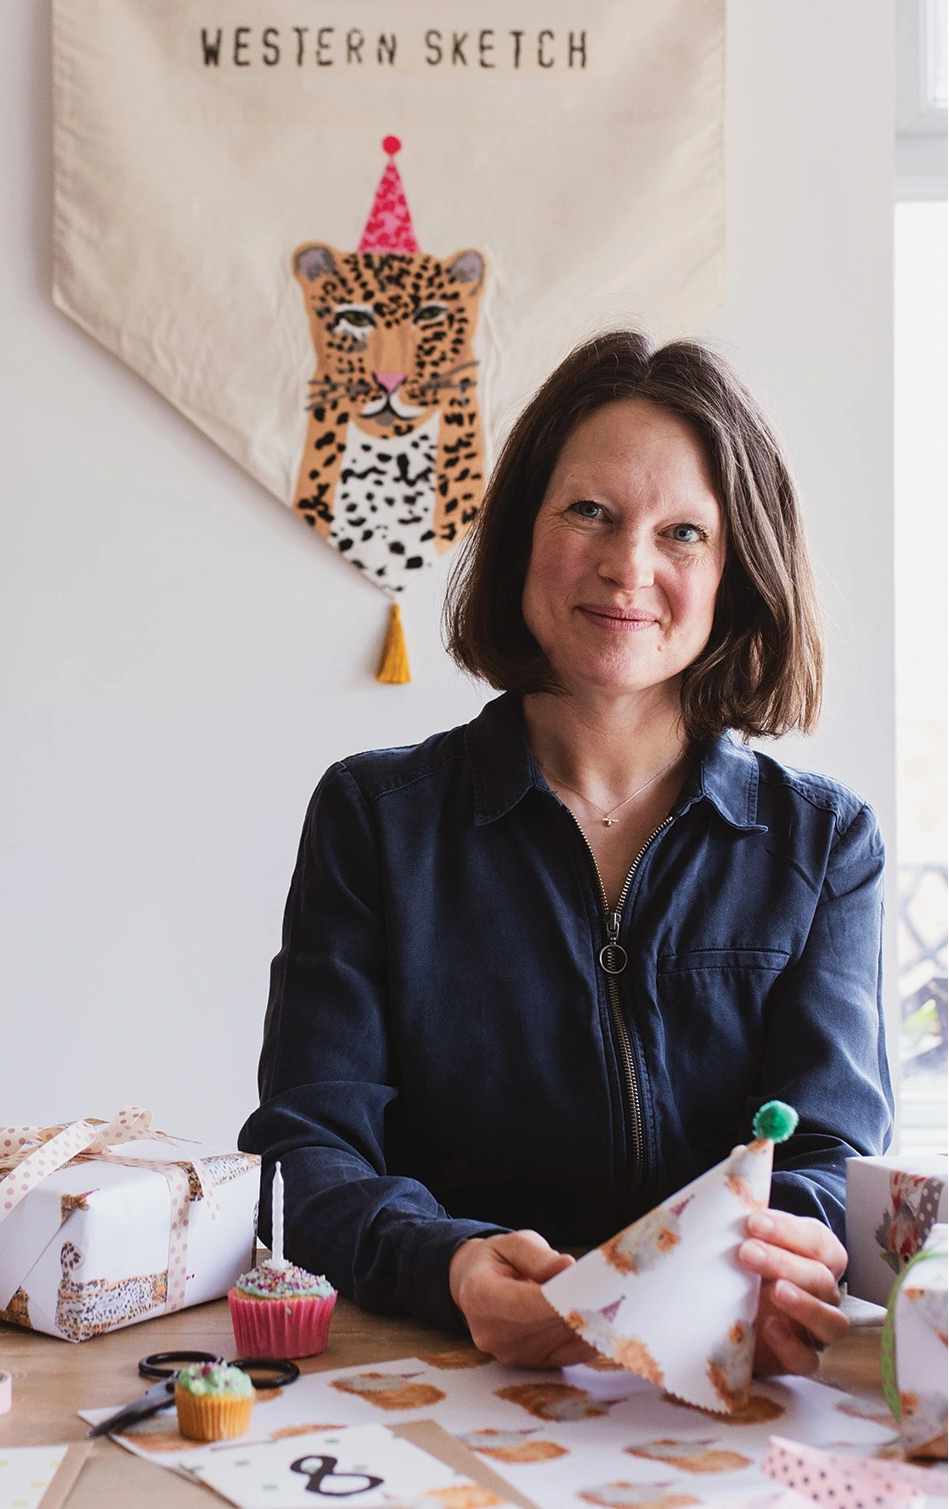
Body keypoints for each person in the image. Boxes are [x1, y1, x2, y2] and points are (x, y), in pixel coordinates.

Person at [238, 331, 892, 1376]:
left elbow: (829, 1161)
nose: (627, 565)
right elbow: (302, 1152)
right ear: (519, 534)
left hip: (729, 1393)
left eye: (682, 531)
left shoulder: (823, 845)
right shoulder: (373, 816)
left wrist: (793, 1248)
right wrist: (446, 1263)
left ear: (735, 572)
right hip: (444, 1383)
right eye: (589, 510)